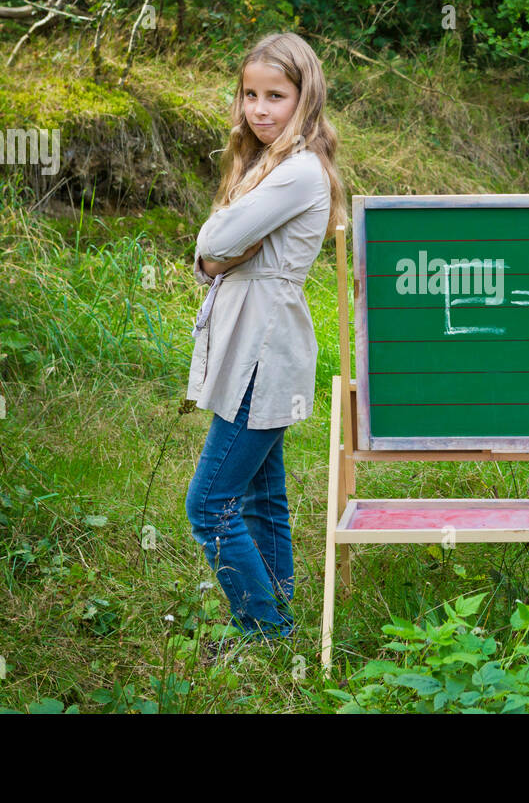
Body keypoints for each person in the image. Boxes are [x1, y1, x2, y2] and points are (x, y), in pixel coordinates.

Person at [185, 32, 346, 654]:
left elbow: (212, 239)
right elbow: (217, 252)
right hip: (253, 337)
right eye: (250, 94)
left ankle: (263, 626)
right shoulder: (266, 163)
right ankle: (279, 620)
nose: (259, 109)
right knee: (263, 493)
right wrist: (219, 253)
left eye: (276, 96)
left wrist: (219, 250)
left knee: (209, 503)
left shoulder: (297, 170)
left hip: (264, 347)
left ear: (305, 98)